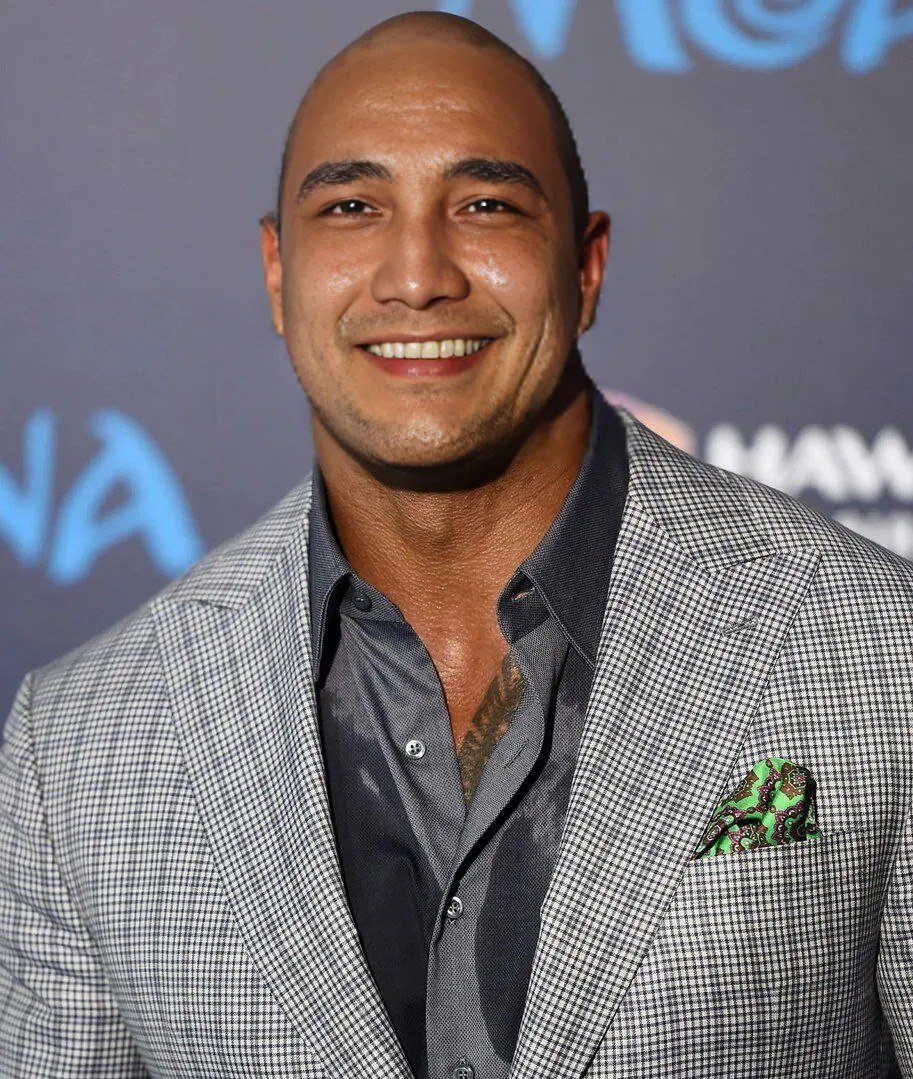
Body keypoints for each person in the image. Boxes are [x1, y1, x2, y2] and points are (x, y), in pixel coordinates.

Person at [1, 9, 911, 1078]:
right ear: (277, 273)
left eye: (485, 204)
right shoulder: (80, 742)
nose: (417, 274)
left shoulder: (879, 649)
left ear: (584, 266)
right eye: (352, 206)